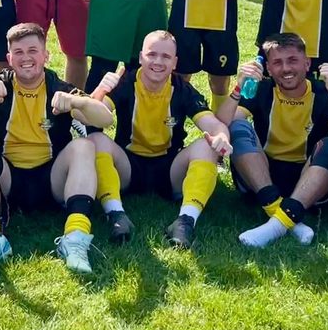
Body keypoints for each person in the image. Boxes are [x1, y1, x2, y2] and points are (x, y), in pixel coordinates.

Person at [0, 23, 114, 275]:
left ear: (46, 56)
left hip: (52, 181)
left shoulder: (59, 88)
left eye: (33, 51)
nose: (26, 58)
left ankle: (75, 237)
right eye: (18, 52)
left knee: (84, 146)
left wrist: (76, 102)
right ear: (9, 58)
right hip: (8, 182)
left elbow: (105, 119)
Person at [88, 30, 233, 248]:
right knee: (96, 140)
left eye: (166, 57)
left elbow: (213, 125)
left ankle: (185, 221)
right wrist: (100, 91)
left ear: (175, 63)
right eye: (152, 54)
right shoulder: (125, 81)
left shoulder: (182, 89)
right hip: (128, 166)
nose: (158, 61)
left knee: (207, 145)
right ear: (140, 57)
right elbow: (92, 115)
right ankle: (116, 215)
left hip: (169, 169)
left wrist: (221, 136)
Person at [225, 33, 328, 248]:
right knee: (236, 126)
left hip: (310, 182)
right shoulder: (262, 88)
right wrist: (239, 85)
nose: (286, 68)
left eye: (292, 60)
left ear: (307, 63)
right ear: (268, 68)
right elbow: (222, 126)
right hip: (262, 178)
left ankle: (277, 223)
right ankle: (283, 214)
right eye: (277, 62)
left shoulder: (322, 93)